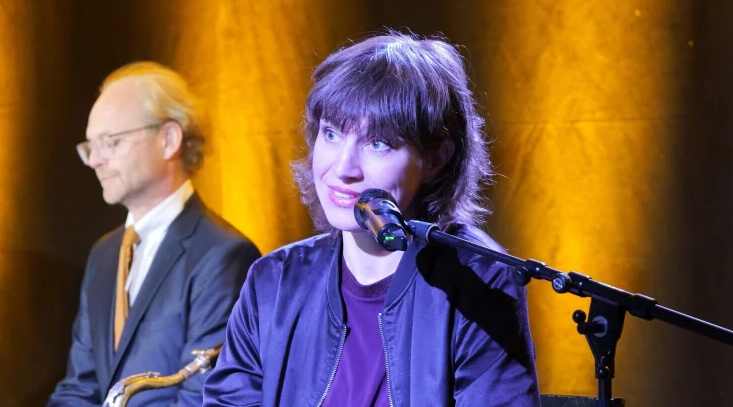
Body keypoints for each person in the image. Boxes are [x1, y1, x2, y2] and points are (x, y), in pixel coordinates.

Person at [203, 32, 540, 406]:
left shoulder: (480, 281)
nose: (343, 168)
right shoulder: (274, 283)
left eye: (378, 143)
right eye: (331, 134)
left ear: (435, 160)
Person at [48, 62, 260, 406]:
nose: (95, 160)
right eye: (91, 146)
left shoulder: (223, 255)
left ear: (169, 140)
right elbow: (80, 387)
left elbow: (204, 399)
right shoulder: (104, 253)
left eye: (111, 142)